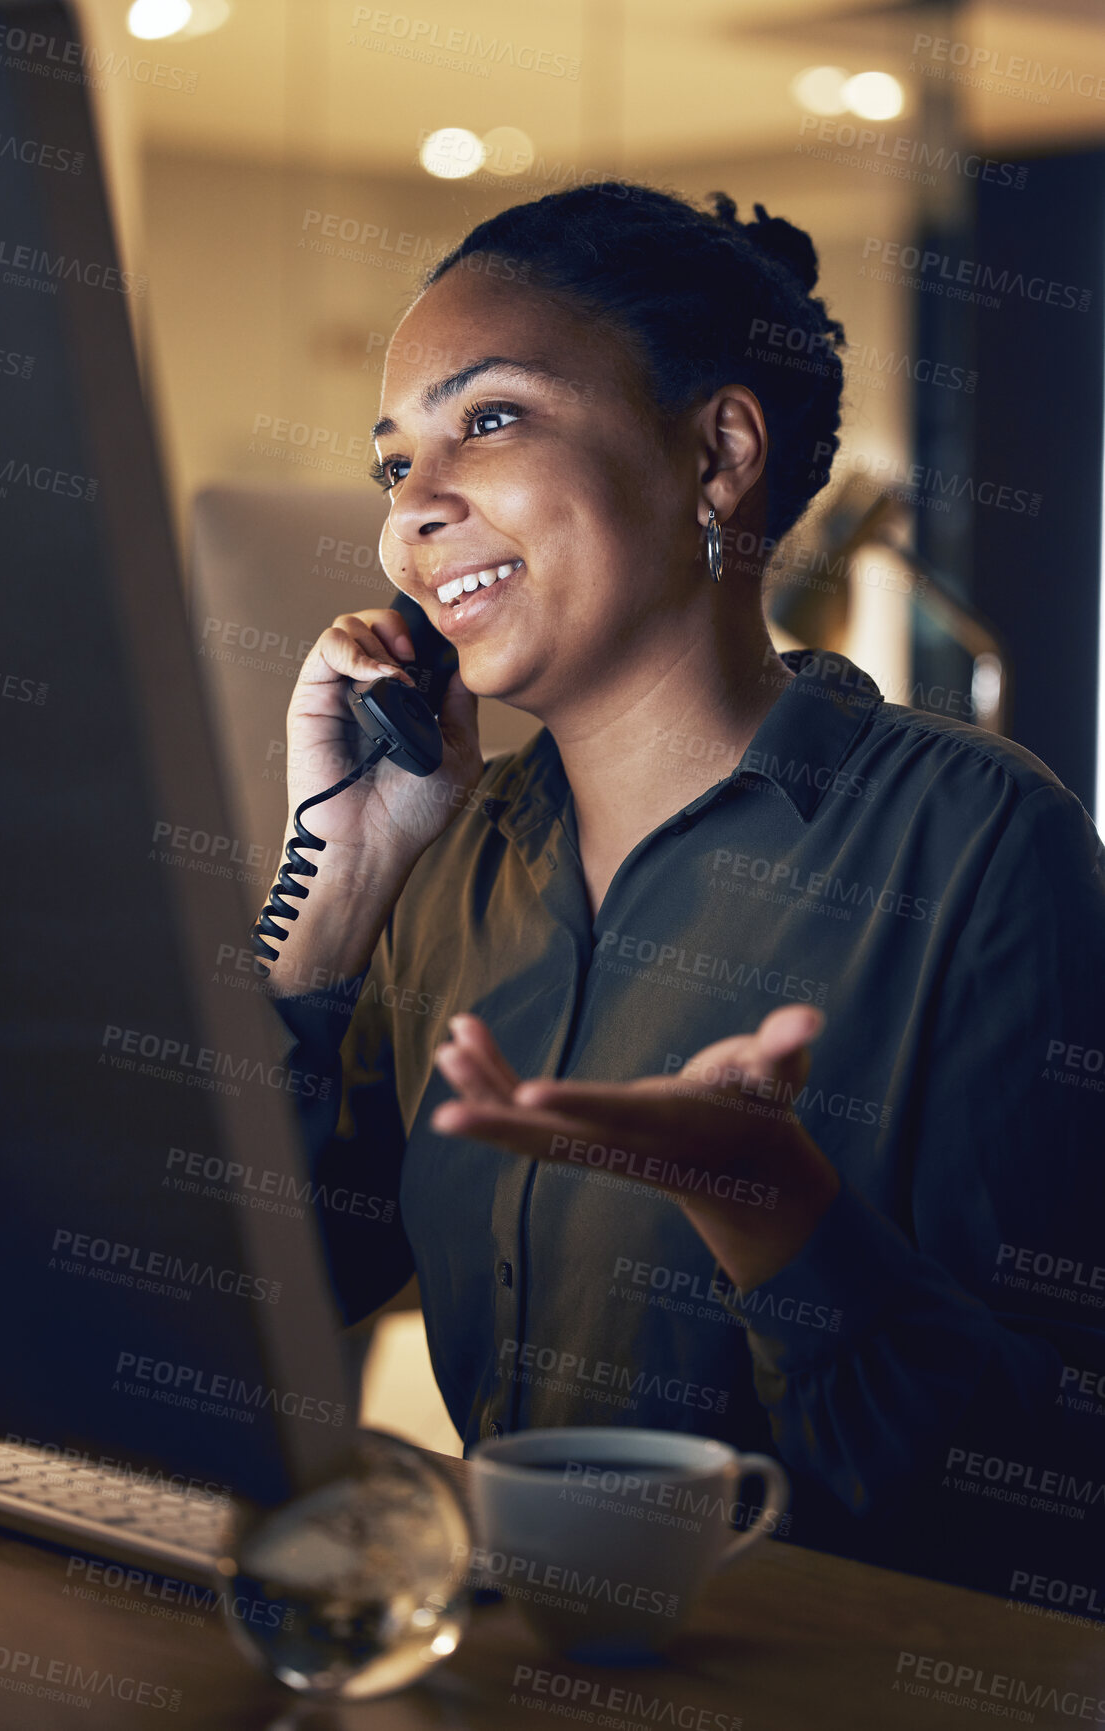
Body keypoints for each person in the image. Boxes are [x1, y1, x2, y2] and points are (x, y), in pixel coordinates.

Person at [260, 183, 1105, 1595]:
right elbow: (252, 1305)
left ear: (718, 455)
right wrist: (331, 899)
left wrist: (773, 1212)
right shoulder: (449, 861)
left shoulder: (979, 845)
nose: (417, 510)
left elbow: (1046, 1492)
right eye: (391, 465)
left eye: (490, 419)